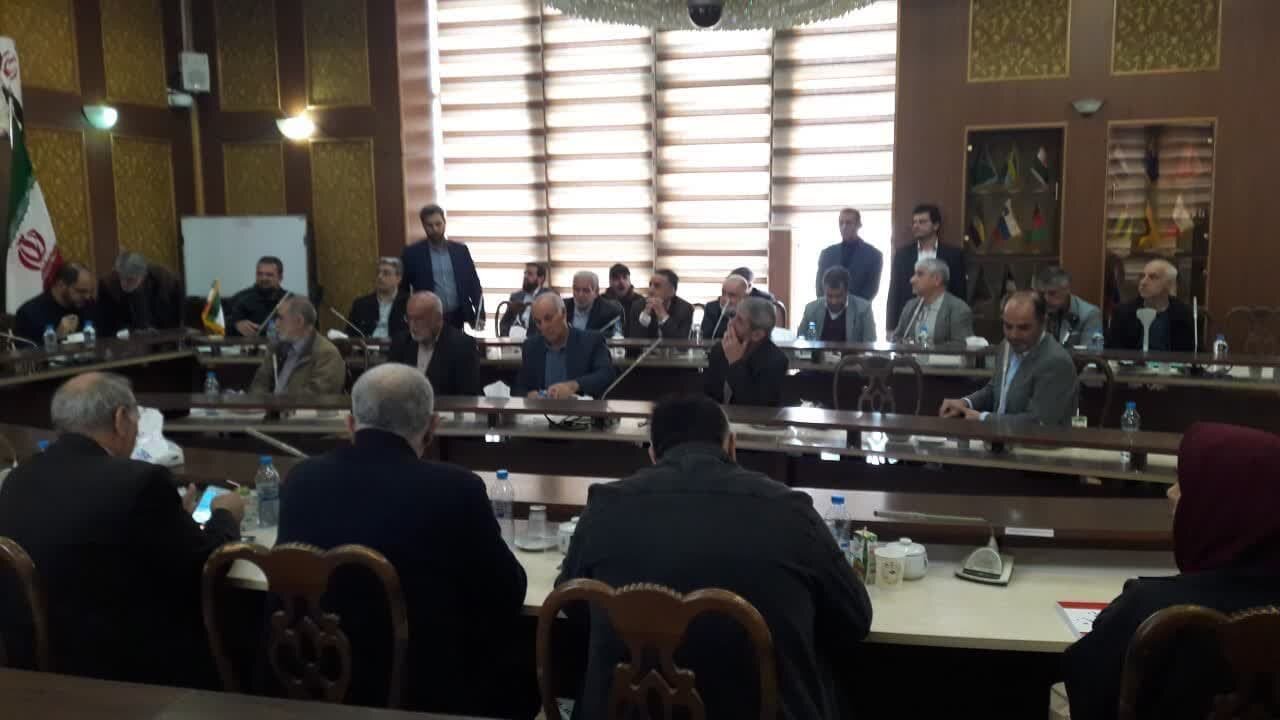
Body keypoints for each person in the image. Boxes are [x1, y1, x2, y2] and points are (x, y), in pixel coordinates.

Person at [557, 395, 872, 719]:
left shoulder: (604, 506)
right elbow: (854, 620)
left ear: (652, 454)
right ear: (731, 446)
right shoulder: (792, 511)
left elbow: (573, 604)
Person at [278, 364, 532, 716]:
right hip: (424, 694)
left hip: (316, 685)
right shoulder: (457, 489)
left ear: (350, 424)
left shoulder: (300, 480)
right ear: (432, 426)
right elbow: (507, 593)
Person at [0, 372, 244, 686]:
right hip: (131, 672)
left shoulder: (18, 479)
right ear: (120, 420)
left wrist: (171, 519)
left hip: (33, 668)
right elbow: (206, 565)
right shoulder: (140, 482)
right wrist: (226, 514)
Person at [1063, 423, 1280, 720]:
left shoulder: (1151, 609)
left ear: (1219, 502)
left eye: (1184, 483)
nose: (1170, 493)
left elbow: (1089, 695)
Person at [939, 290, 1077, 426]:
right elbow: (994, 390)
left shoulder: (1056, 362)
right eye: (1008, 326)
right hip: (999, 437)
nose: (1013, 335)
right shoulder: (1007, 345)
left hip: (1037, 441)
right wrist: (966, 402)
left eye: (1023, 328)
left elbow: (1037, 422)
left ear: (1043, 323)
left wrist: (983, 418)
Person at [514, 293, 616, 398]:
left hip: (580, 407)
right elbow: (519, 388)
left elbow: (606, 375)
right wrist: (529, 395)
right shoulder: (531, 346)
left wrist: (573, 386)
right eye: (538, 322)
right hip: (541, 407)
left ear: (563, 313)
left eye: (548, 319)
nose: (544, 327)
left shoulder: (591, 341)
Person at [400, 204, 484, 330]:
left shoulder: (460, 251)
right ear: (423, 226)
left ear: (444, 223)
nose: (435, 229)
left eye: (438, 224)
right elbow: (403, 289)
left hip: (457, 315)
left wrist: (480, 314)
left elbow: (473, 283)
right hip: (427, 316)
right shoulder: (412, 254)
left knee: (457, 342)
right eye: (429, 225)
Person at [887, 204, 968, 329]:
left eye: (922, 222)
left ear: (936, 225)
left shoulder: (953, 255)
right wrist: (890, 326)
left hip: (943, 320)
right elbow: (894, 291)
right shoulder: (902, 255)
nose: (916, 226)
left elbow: (960, 292)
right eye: (914, 222)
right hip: (909, 320)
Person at [248, 296, 346, 395]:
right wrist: (261, 401)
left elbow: (315, 396)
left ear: (299, 321)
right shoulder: (276, 347)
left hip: (298, 405)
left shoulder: (327, 355)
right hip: (269, 404)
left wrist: (276, 403)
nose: (276, 324)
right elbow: (259, 383)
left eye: (280, 318)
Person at [388, 291, 481, 396]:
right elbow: (391, 385)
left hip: (446, 405)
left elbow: (468, 395)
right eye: (409, 319)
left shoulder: (463, 346)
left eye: (419, 319)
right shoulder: (401, 342)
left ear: (438, 318)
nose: (412, 326)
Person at [704, 297, 789, 407]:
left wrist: (735, 364)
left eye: (739, 320)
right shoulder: (719, 349)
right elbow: (709, 398)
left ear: (757, 335)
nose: (730, 323)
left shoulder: (775, 361)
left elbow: (755, 406)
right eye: (734, 316)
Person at [1106, 259, 1195, 352]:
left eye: (1152, 277)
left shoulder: (1184, 313)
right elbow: (1113, 352)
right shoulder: (1123, 312)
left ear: (1169, 284)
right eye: (1142, 276)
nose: (1143, 282)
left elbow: (1191, 353)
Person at [95, 251, 184, 336]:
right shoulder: (108, 285)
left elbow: (176, 321)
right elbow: (107, 326)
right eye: (121, 277)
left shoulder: (165, 282)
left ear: (143, 275)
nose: (124, 283)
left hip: (163, 336)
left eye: (130, 279)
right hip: (124, 340)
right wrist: (131, 332)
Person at [892, 258, 975, 344]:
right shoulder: (910, 305)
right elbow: (896, 338)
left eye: (920, 274)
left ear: (937, 280)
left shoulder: (958, 309)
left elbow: (961, 346)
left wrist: (927, 352)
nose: (912, 280)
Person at [14, 262, 98, 343]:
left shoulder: (88, 305)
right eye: (81, 291)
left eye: (90, 291)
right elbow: (26, 351)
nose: (87, 297)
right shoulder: (29, 313)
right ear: (61, 285)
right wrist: (56, 338)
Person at [815, 207, 884, 301]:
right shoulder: (827, 254)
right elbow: (819, 287)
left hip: (859, 308)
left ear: (858, 225)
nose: (844, 227)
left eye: (848, 223)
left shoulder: (874, 255)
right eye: (841, 223)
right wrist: (831, 305)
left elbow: (871, 289)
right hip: (828, 307)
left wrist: (851, 306)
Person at [798, 267, 876, 343]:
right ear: (824, 292)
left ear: (847, 292)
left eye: (838, 296)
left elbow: (870, 344)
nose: (834, 301)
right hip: (817, 352)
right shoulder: (811, 309)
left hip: (852, 352)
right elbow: (800, 340)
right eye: (829, 296)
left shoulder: (863, 309)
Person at [1036, 266, 1103, 347]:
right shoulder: (1040, 311)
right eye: (1042, 293)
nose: (1046, 299)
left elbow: (1093, 351)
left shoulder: (1090, 314)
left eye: (1052, 293)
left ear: (1067, 289)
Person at [228, 256, 289, 337]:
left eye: (269, 275)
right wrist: (236, 325)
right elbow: (220, 324)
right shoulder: (240, 298)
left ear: (280, 278)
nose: (263, 278)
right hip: (247, 344)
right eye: (260, 274)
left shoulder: (291, 300)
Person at [347, 257, 408, 339]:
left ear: (398, 278)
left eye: (386, 273)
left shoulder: (408, 303)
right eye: (378, 272)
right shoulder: (361, 304)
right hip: (366, 346)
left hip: (395, 346)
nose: (380, 277)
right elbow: (349, 335)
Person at [626, 269, 694, 341]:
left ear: (672, 291)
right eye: (650, 285)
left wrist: (662, 315)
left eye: (657, 286)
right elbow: (635, 341)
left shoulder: (685, 309)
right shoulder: (638, 306)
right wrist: (645, 316)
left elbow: (681, 342)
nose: (650, 290)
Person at [499, 262, 554, 336]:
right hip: (512, 337)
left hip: (533, 337)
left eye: (530, 274)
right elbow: (505, 322)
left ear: (540, 278)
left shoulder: (548, 296)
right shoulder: (515, 296)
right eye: (525, 273)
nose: (525, 276)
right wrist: (506, 336)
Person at [565, 271, 624, 335]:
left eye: (586, 290)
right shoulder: (562, 307)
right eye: (576, 289)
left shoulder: (610, 312)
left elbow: (615, 338)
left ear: (596, 292)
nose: (580, 295)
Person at [700, 273, 751, 341]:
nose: (725, 299)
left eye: (732, 295)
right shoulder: (711, 308)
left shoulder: (752, 313)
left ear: (745, 297)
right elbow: (705, 338)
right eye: (723, 293)